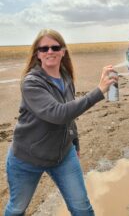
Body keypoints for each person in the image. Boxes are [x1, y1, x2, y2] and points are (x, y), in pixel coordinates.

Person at [4, 28, 117, 216]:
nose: (50, 52)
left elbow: (69, 116)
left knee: (82, 209)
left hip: (63, 156)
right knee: (17, 209)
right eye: (44, 48)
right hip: (26, 159)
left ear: (63, 52)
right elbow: (58, 114)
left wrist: (75, 142)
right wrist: (99, 90)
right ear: (37, 55)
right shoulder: (31, 82)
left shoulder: (65, 78)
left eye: (55, 47)